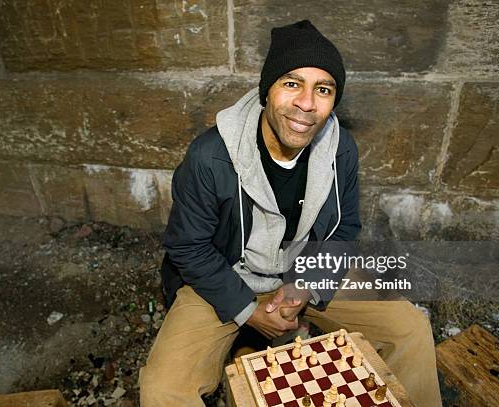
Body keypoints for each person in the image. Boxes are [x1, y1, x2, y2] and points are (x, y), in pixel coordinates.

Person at [139, 20, 441, 406]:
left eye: (324, 89)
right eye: (292, 83)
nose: (306, 104)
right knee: (164, 389)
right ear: (268, 91)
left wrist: (304, 285)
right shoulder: (210, 156)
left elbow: (343, 230)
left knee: (410, 328)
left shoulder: (340, 150)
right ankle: (248, 338)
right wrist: (249, 311)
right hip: (224, 276)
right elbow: (188, 247)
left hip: (299, 271)